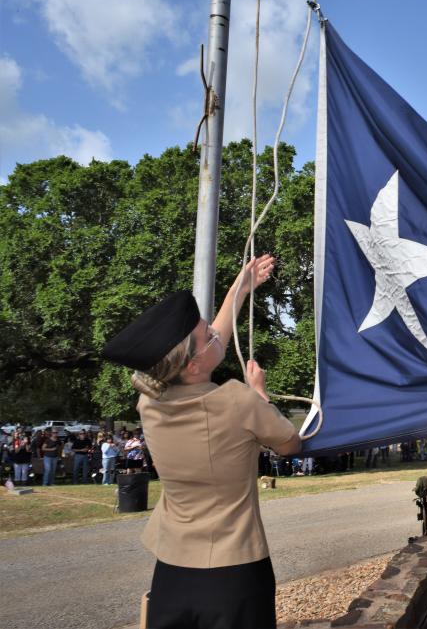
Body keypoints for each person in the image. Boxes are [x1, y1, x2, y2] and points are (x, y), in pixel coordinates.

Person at [101, 254, 300, 629]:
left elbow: (212, 341)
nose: (214, 333)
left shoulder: (150, 402)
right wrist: (261, 395)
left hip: (172, 572)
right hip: (235, 574)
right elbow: (290, 444)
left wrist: (240, 288)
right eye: (205, 334)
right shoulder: (238, 400)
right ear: (192, 365)